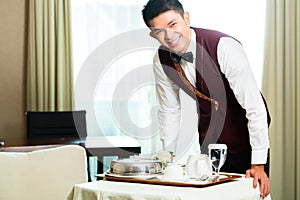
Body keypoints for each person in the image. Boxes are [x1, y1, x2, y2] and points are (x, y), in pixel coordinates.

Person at [142, 0, 271, 197]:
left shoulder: (224, 46)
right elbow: (169, 110)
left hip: (245, 140)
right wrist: (168, 160)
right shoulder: (161, 60)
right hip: (209, 143)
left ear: (186, 18)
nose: (169, 36)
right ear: (153, 35)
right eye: (160, 32)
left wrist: (258, 164)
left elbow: (255, 107)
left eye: (173, 24)